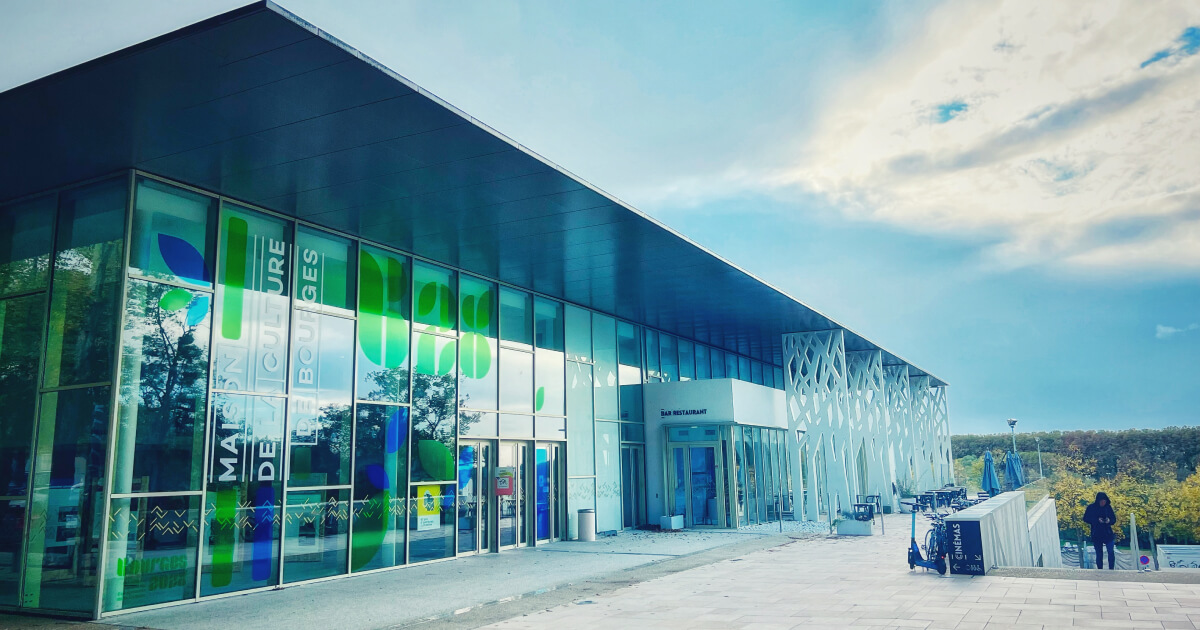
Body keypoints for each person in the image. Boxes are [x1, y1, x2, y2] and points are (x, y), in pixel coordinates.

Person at [1083, 492, 1117, 569]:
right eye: (1101, 501)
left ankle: (1111, 568)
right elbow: (1085, 518)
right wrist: (1096, 520)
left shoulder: (1108, 508)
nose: (1103, 503)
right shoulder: (1091, 508)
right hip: (1097, 533)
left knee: (1111, 552)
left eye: (1104, 501)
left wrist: (1109, 520)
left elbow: (1114, 519)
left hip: (1108, 533)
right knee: (1099, 553)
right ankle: (1100, 569)